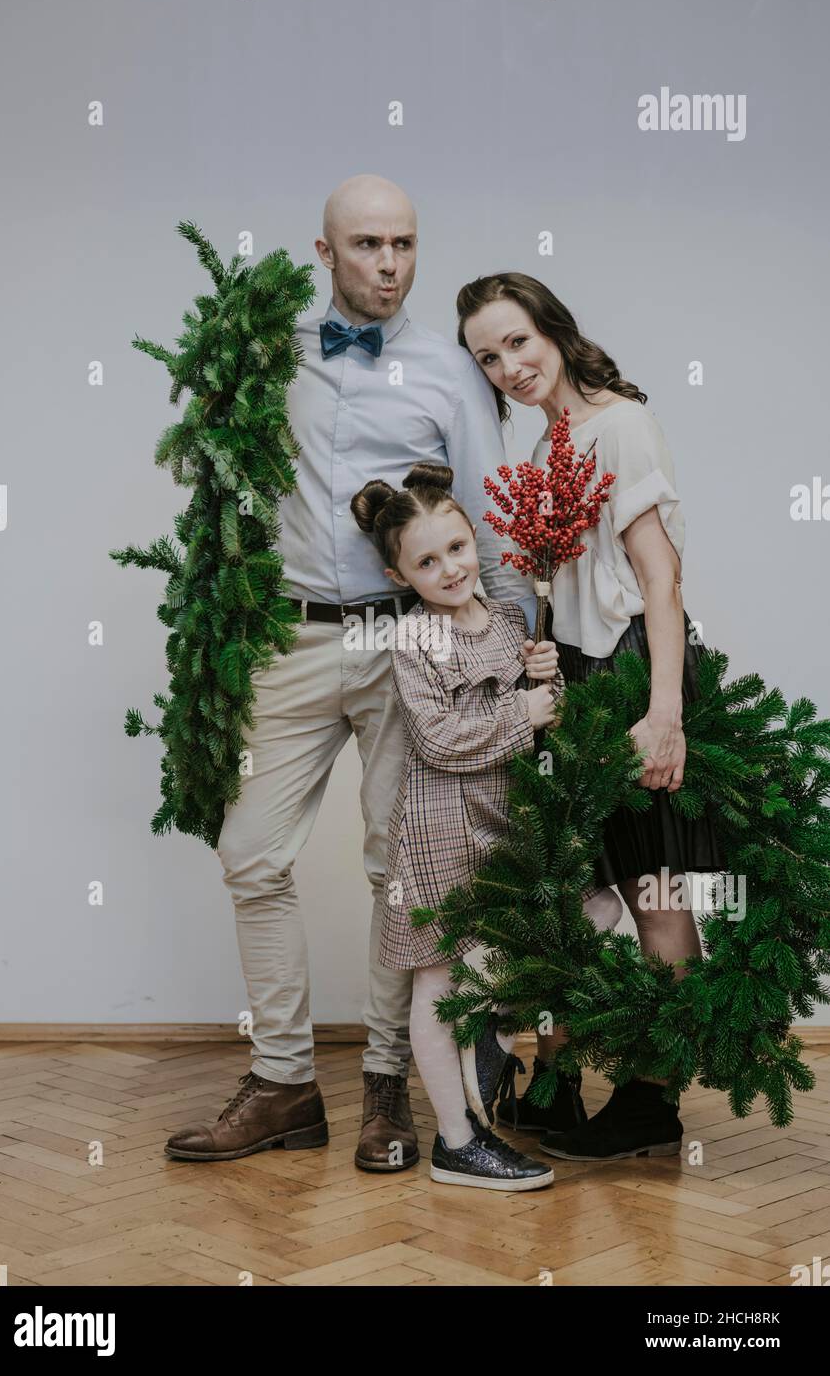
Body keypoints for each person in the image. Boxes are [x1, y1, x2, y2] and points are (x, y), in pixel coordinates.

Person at [164, 177, 536, 1169]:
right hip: (285, 638)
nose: (388, 263)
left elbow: (490, 530)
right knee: (251, 850)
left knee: (396, 866)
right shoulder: (267, 351)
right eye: (366, 244)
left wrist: (515, 657)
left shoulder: (451, 372)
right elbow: (213, 470)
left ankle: (385, 1082)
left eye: (404, 243)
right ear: (322, 254)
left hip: (405, 648)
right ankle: (283, 1079)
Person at [458, 273, 725, 1162]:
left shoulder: (620, 425)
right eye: (488, 358)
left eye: (518, 343)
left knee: (652, 892)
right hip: (574, 683)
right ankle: (557, 1082)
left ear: (556, 332)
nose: (509, 367)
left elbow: (659, 580)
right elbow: (564, 590)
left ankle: (653, 1097)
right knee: (576, 894)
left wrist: (664, 712)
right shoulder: (545, 453)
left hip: (632, 678)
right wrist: (542, 655)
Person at [350, 462, 620, 1189]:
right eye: (427, 561)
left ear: (477, 541)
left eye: (457, 548)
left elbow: (541, 716)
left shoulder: (506, 616)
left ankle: (495, 1029)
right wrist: (521, 713)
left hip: (512, 817)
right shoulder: (415, 640)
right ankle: (457, 1140)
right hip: (444, 826)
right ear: (399, 573)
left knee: (594, 908)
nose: (449, 569)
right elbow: (438, 738)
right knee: (439, 979)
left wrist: (547, 682)